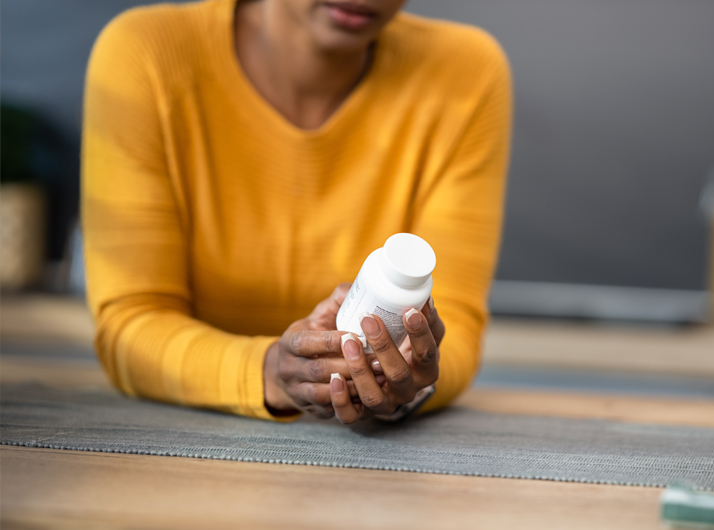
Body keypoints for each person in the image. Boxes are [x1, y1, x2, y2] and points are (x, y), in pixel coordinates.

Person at [82, 0, 511, 424]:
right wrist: (270, 371)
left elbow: (453, 329)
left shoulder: (465, 73)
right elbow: (131, 326)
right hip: (191, 437)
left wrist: (407, 383)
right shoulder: (147, 56)